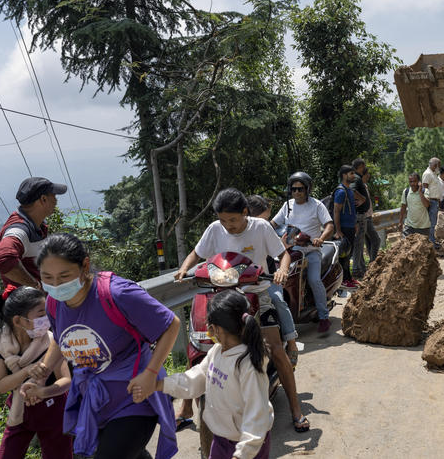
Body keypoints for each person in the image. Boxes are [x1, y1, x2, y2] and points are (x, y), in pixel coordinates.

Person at [30, 233, 180, 459]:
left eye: (64, 276)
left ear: (85, 266)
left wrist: (150, 374)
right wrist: (43, 369)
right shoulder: (54, 303)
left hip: (134, 397)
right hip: (94, 401)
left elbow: (171, 324)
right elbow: (62, 340)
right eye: (47, 277)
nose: (56, 285)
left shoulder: (117, 294)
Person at [174, 188, 310, 433]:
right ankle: (185, 409)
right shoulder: (215, 229)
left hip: (257, 292)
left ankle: (295, 409)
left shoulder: (260, 227)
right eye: (224, 220)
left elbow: (283, 254)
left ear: (245, 213)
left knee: (275, 349)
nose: (228, 226)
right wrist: (185, 269)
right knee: (200, 345)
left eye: (233, 220)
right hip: (222, 294)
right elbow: (197, 253)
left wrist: (281, 270)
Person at [137, 290, 273, 459]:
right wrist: (159, 384)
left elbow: (257, 414)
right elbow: (196, 378)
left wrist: (242, 454)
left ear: (215, 328)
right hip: (222, 440)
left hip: (249, 448)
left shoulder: (248, 364)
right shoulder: (217, 351)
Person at [0, 286, 73, 459]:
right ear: (18, 321)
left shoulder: (51, 340)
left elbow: (66, 380)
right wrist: (27, 372)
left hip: (54, 410)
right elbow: (1, 385)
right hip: (19, 411)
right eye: (40, 315)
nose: (47, 319)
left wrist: (43, 392)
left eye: (46, 312)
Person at [271, 172, 334, 332]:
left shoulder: (317, 205)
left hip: (311, 251)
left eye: (300, 189)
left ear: (307, 189)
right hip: (288, 251)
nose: (297, 192)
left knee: (313, 280)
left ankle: (323, 317)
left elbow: (329, 225)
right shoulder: (287, 205)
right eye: (294, 189)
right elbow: (274, 223)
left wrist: (320, 238)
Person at [245, 194, 303, 352]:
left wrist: (282, 248)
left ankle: (291, 341)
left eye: (267, 219)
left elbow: (281, 253)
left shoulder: (265, 229)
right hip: (241, 283)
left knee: (278, 300)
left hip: (266, 278)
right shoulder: (232, 232)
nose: (265, 223)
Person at [0, 177, 67, 293]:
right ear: (43, 199)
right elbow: (3, 259)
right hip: (28, 307)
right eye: (54, 196)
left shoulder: (36, 225)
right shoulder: (19, 230)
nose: (56, 201)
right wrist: (35, 285)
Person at [333, 165, 358, 288]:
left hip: (351, 227)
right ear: (344, 175)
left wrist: (355, 224)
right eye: (351, 173)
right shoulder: (341, 191)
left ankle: (349, 278)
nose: (353, 176)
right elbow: (336, 211)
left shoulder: (349, 190)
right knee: (344, 255)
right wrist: (338, 230)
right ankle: (343, 280)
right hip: (344, 228)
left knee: (349, 254)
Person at [349, 158, 371, 280]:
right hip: (359, 215)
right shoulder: (356, 177)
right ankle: (357, 270)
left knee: (359, 242)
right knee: (359, 243)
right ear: (360, 167)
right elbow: (352, 190)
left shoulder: (354, 177)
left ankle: (360, 267)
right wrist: (362, 199)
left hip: (358, 214)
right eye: (364, 167)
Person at [399, 173, 431, 237]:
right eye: (410, 182)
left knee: (423, 246)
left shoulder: (425, 191)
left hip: (423, 227)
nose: (412, 184)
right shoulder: (406, 191)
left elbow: (427, 205)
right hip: (409, 226)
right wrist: (400, 222)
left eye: (414, 181)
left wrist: (420, 192)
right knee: (405, 245)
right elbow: (403, 207)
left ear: (419, 182)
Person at [422, 158, 442, 247]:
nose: (439, 168)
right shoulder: (428, 174)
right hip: (431, 201)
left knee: (433, 222)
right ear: (435, 165)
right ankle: (431, 242)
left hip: (435, 201)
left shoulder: (433, 174)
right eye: (438, 165)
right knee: (431, 222)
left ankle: (432, 240)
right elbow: (424, 188)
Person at [362, 168, 381, 263]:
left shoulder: (365, 186)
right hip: (365, 218)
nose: (369, 176)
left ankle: (371, 263)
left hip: (368, 216)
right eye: (367, 174)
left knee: (369, 241)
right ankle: (373, 262)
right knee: (376, 240)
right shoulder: (360, 187)